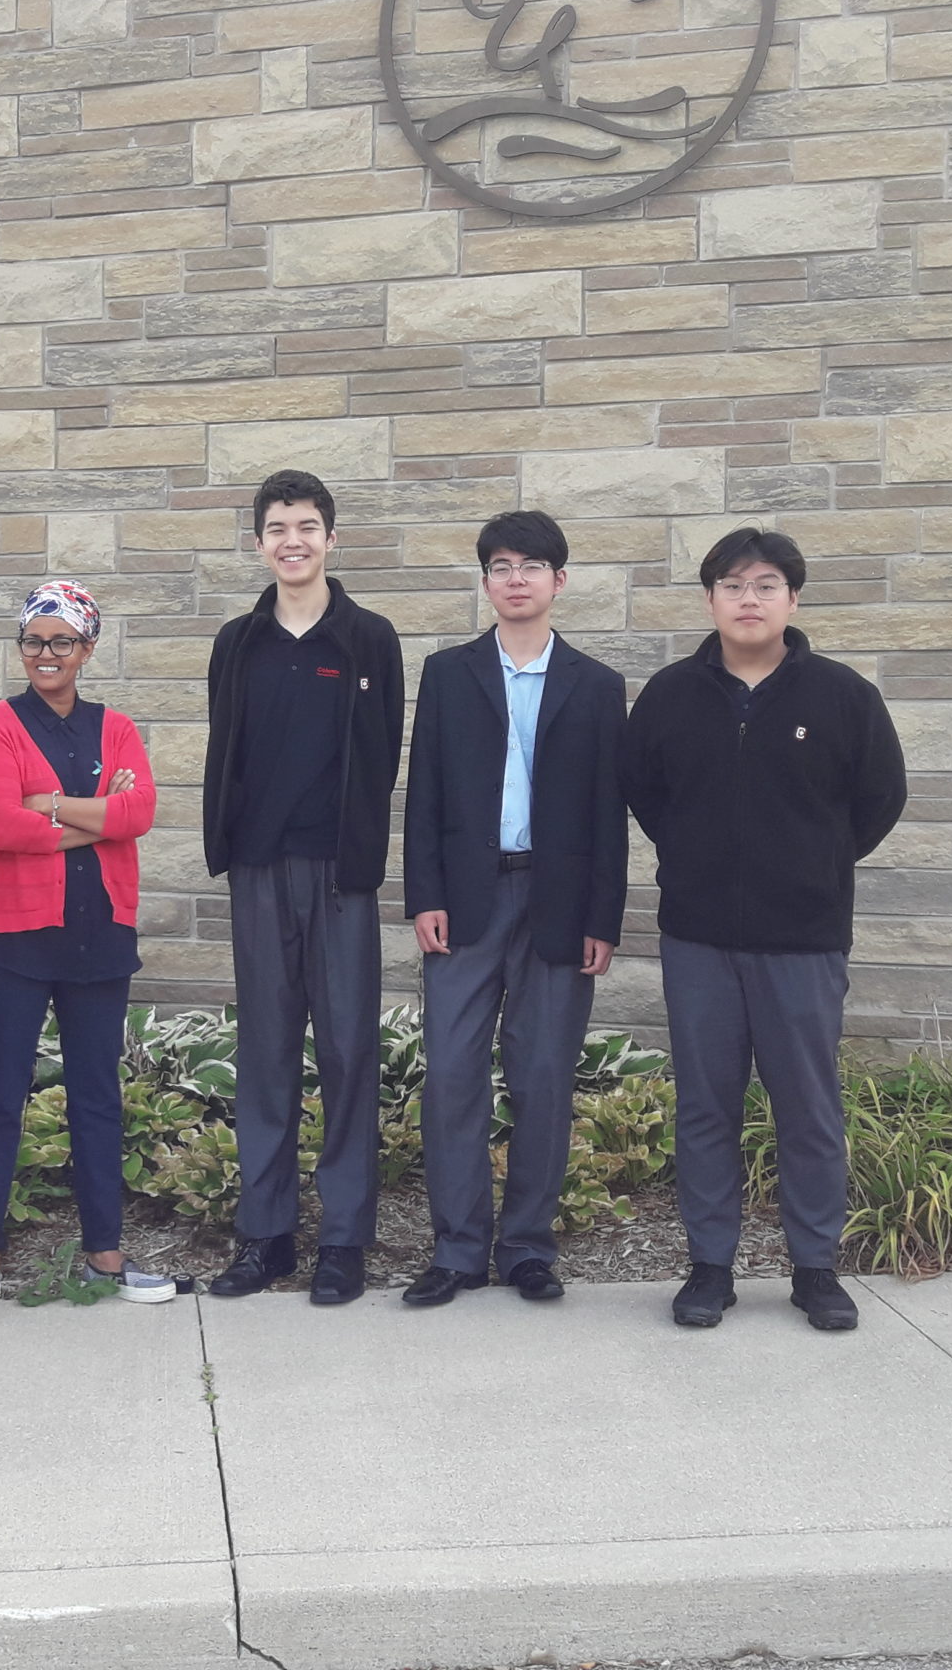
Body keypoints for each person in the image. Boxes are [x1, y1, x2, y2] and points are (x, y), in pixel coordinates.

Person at [621, 526, 908, 1333]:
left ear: (793, 598)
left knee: (808, 1108)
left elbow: (880, 799)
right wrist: (694, 857)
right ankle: (709, 1266)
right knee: (705, 1107)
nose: (750, 599)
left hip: (804, 941)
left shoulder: (843, 696)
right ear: (710, 599)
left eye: (767, 584)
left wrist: (815, 864)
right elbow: (644, 792)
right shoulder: (672, 695)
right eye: (734, 585)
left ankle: (815, 1268)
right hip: (699, 938)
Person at [400, 511, 626, 1308]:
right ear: (487, 582)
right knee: (453, 1075)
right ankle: (458, 1250)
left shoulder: (596, 686)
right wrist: (422, 895)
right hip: (465, 900)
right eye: (502, 566)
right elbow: (423, 792)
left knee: (542, 1075)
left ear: (559, 581)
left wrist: (605, 917)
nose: (517, 578)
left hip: (557, 903)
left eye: (533, 565)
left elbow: (609, 813)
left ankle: (528, 1247)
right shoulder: (448, 673)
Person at [201, 469, 403, 1305]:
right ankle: (268, 1235)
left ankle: (345, 1240)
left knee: (350, 1052)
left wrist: (359, 859)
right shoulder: (237, 644)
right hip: (259, 873)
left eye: (307, 525)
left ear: (330, 538)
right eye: (278, 526)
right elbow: (229, 754)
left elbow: (384, 755)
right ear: (259, 542)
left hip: (339, 879)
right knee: (268, 1055)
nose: (293, 540)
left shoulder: (368, 639)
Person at [0, 582, 171, 1324]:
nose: (46, 655)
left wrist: (47, 803)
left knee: (96, 1098)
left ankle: (105, 1250)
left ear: (87, 649)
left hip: (99, 935)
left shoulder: (117, 727)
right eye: (34, 642)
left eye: (62, 642)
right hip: (12, 938)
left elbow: (140, 812)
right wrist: (95, 816)